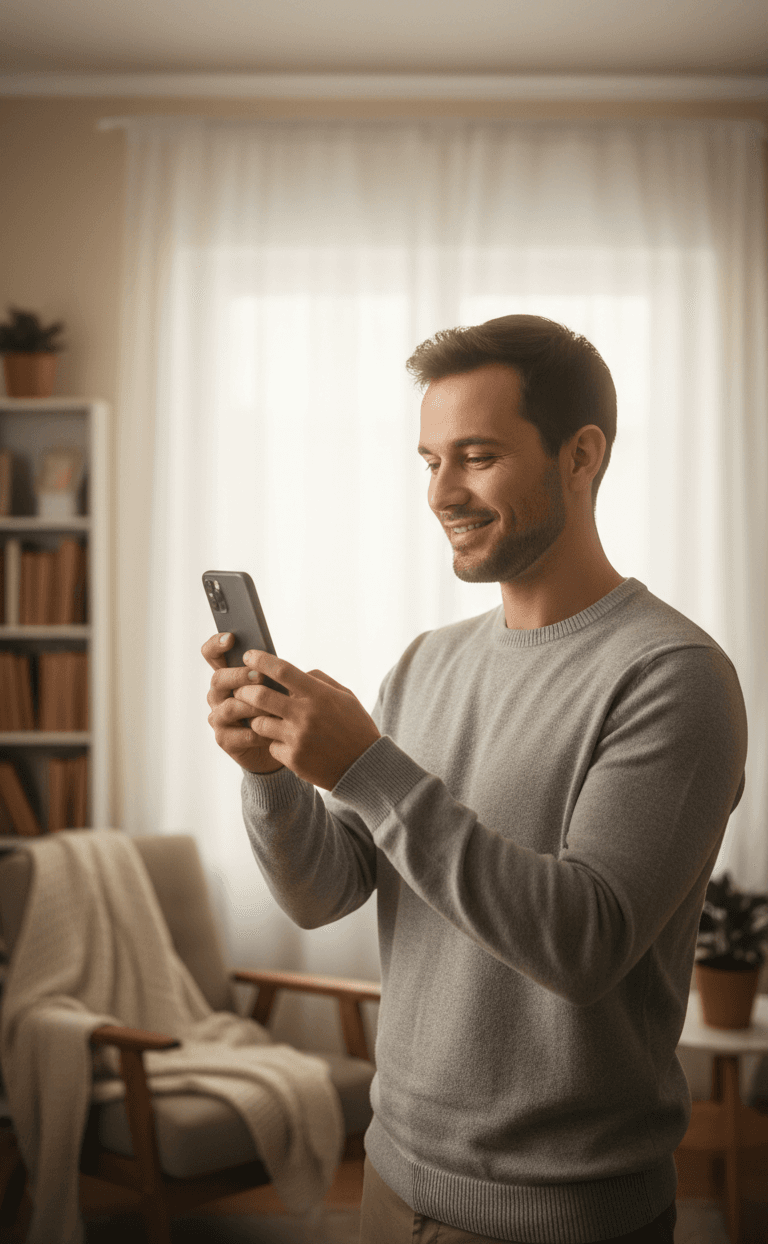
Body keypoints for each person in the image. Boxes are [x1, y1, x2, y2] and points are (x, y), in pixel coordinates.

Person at [203, 314, 748, 1244]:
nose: (442, 492)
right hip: (392, 1178)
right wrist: (271, 775)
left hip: (564, 1215)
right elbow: (321, 893)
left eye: (478, 455)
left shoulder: (673, 675)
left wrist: (368, 767)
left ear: (580, 456)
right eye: (429, 461)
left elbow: (586, 940)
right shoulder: (426, 663)